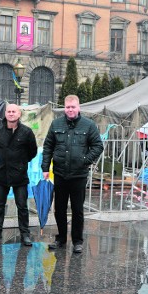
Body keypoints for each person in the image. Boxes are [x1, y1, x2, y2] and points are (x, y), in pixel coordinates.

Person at [41, 94, 103, 254]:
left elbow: (98, 145)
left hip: (79, 175)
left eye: (73, 107)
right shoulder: (56, 124)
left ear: (78, 107)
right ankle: (61, 238)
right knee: (59, 209)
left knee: (77, 209)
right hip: (60, 174)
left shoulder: (88, 125)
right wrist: (45, 167)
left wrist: (85, 160)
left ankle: (77, 241)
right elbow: (48, 146)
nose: (70, 110)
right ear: (64, 108)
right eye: (67, 107)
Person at [0, 103, 38, 246]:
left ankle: (25, 234)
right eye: (9, 111)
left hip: (20, 176)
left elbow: (32, 151)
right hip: (2, 175)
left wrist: (21, 163)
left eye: (14, 111)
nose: (11, 114)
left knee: (22, 206)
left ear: (19, 114)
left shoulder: (27, 132)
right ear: (5, 114)